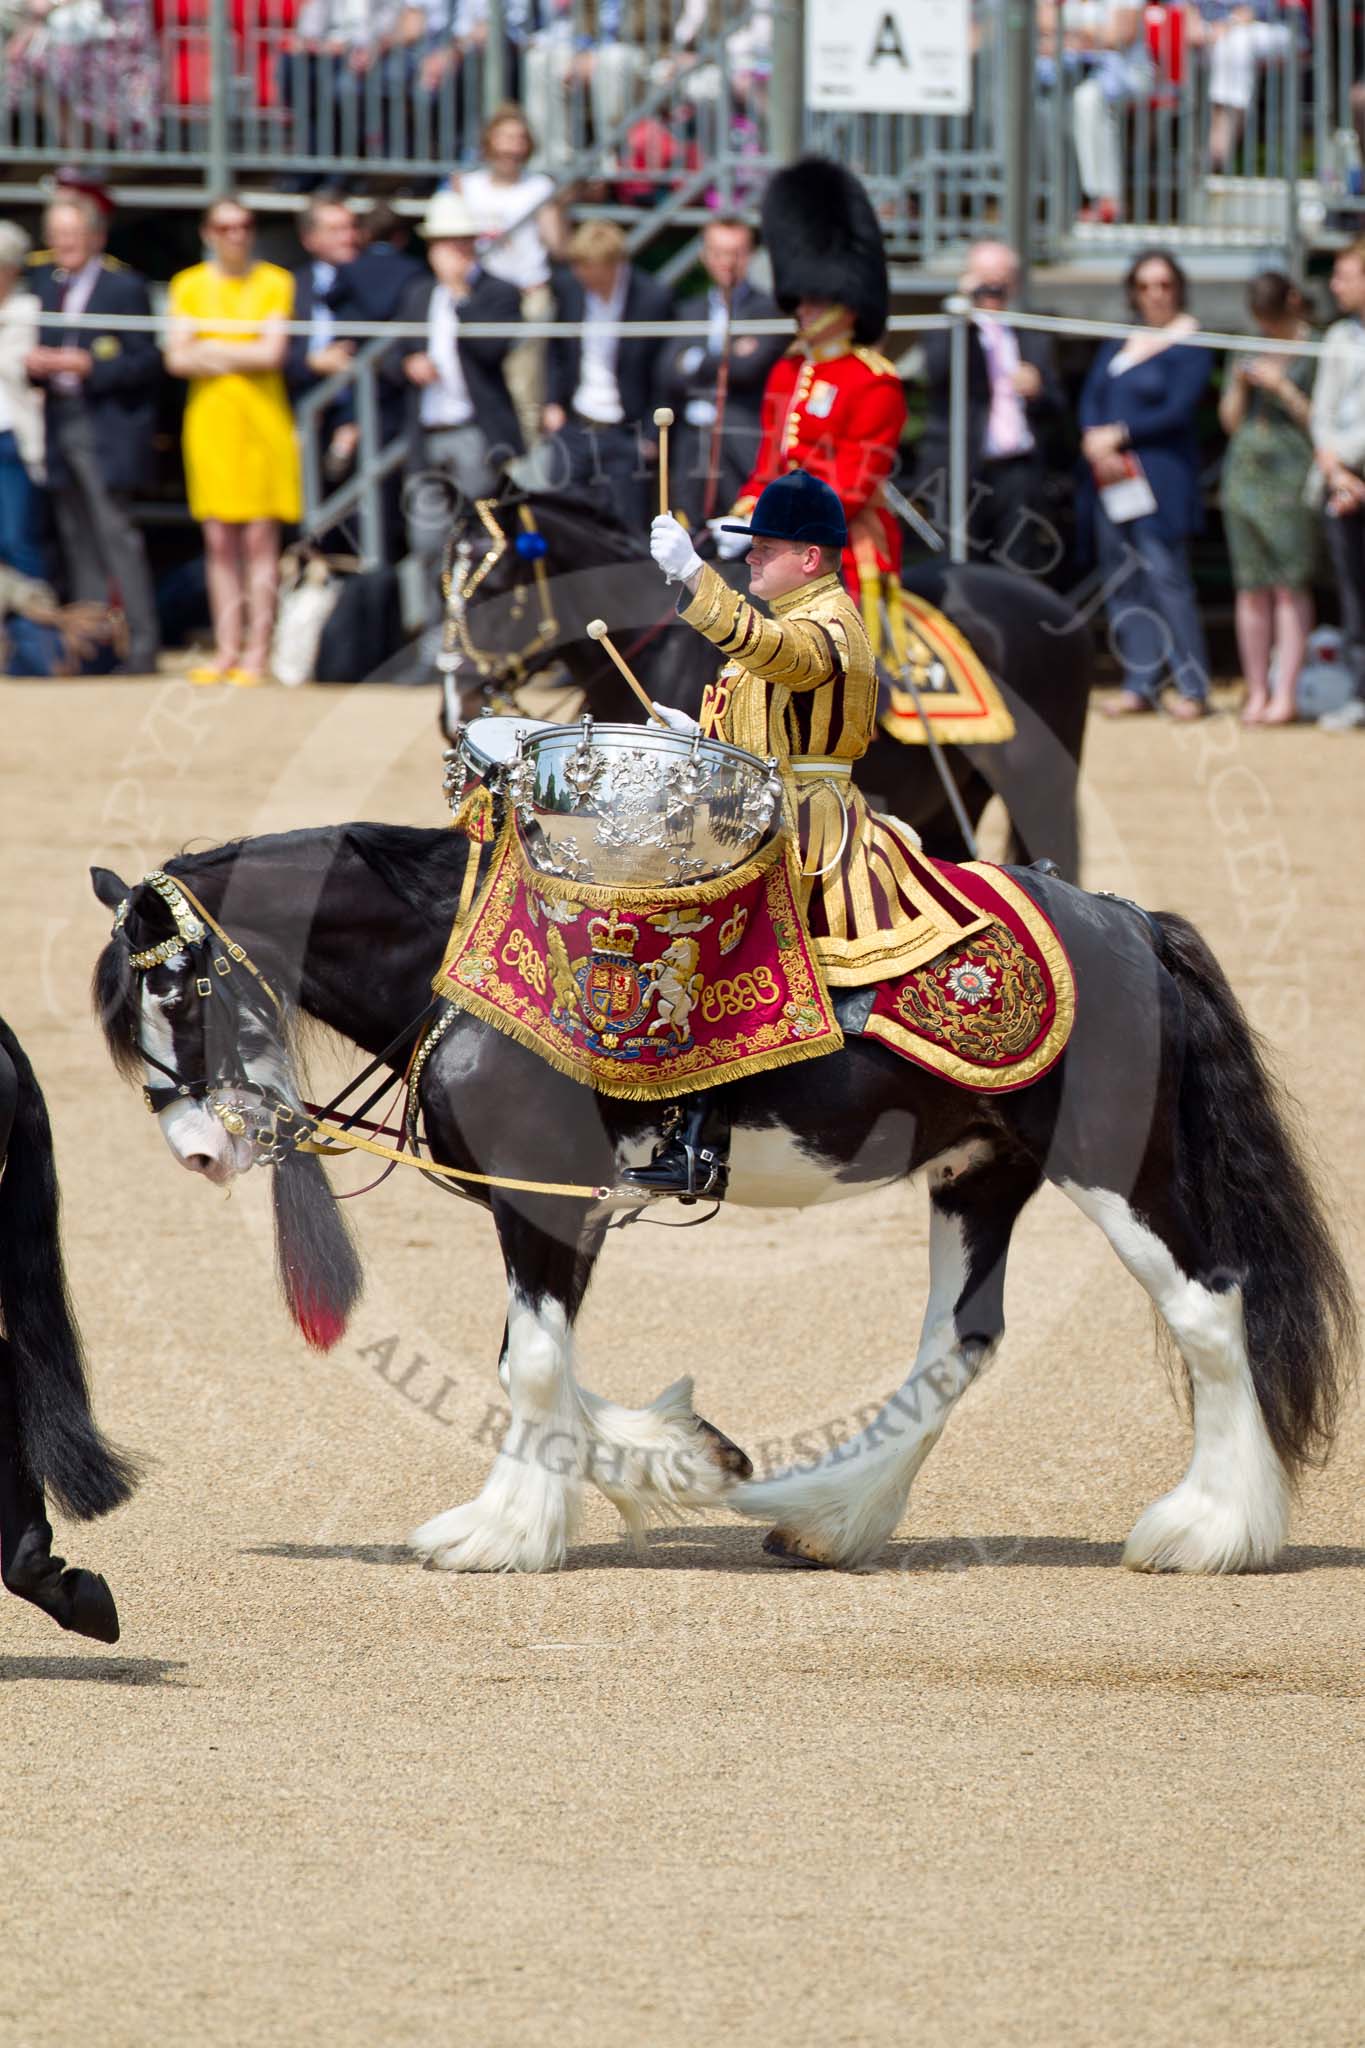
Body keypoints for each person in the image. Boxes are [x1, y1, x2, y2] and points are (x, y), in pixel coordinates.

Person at [626, 469, 951, 1199]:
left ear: (809, 557)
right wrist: (701, 737)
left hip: (809, 824)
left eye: (764, 549)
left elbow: (783, 659)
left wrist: (693, 575)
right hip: (765, 803)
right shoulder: (794, 614)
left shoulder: (829, 621)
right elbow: (764, 711)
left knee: (712, 934)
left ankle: (701, 1139)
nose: (751, 560)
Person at [717, 157, 905, 622]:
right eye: (801, 297)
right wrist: (746, 508)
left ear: (847, 304)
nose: (802, 308)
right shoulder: (789, 371)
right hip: (778, 536)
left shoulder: (874, 381)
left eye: (815, 299)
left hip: (845, 541)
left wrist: (777, 521)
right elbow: (770, 462)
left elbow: (854, 485)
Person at [164, 197, 300, 688]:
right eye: (224, 227)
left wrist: (208, 347)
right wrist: (238, 349)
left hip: (263, 421)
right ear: (208, 233)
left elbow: (271, 353)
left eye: (243, 226)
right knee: (219, 540)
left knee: (261, 540)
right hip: (210, 423)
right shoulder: (189, 284)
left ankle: (257, 652)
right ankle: (226, 648)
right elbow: (176, 359)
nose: (235, 235)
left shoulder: (276, 281)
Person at [25, 194, 161, 675]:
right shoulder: (43, 283)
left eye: (72, 235)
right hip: (58, 417)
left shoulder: (124, 286)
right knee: (75, 536)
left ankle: (142, 646)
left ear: (95, 237)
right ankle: (92, 646)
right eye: (57, 236)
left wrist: (92, 366)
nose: (64, 244)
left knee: (116, 536)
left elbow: (146, 361)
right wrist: (38, 365)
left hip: (105, 424)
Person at [1078, 248, 1211, 719]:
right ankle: (1140, 681)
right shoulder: (1119, 340)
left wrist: (1123, 435)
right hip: (1110, 478)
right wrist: (1097, 442)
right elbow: (1092, 396)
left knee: (1166, 577)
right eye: (1145, 285)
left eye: (1164, 285)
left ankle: (1192, 686)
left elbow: (1178, 408)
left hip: (1162, 475)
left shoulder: (1191, 340)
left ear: (1178, 288)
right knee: (1123, 579)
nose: (1155, 294)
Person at [390, 191, 522, 603]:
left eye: (460, 243)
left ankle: (478, 639)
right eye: (445, 244)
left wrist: (461, 296)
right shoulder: (417, 293)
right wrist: (408, 364)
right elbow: (390, 354)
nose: (453, 252)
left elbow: (491, 351)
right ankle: (434, 644)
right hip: (428, 433)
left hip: (475, 433)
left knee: (480, 541)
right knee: (428, 543)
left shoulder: (498, 292)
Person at [909, 238, 1067, 576]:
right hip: (961, 469)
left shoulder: (1031, 334)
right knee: (960, 568)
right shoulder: (949, 328)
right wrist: (963, 312)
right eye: (985, 278)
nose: (993, 287)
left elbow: (1059, 406)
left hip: (1017, 470)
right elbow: (935, 372)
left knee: (1019, 568)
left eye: (1002, 279)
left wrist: (1038, 389)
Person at [1218, 271, 1317, 726]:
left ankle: (1286, 692)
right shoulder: (1246, 345)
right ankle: (1257, 690)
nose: (1268, 327)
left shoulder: (1317, 347)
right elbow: (1229, 422)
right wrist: (1240, 384)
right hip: (1244, 477)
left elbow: (1328, 420)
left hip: (1292, 477)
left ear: (1292, 303)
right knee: (1251, 587)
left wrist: (1283, 388)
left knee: (1289, 585)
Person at [542, 220, 674, 532]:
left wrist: (650, 436)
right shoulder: (569, 290)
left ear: (616, 265)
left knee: (626, 529)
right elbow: (556, 350)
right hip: (574, 426)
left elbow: (663, 371)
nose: (586, 278)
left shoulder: (652, 298)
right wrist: (552, 401)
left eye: (594, 271)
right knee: (563, 522)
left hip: (625, 432)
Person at [449, 103, 565, 456]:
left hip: (527, 293)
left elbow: (558, 245)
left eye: (518, 139)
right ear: (489, 142)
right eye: (504, 138)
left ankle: (525, 459)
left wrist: (558, 206)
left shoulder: (539, 187)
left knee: (524, 384)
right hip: (482, 294)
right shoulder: (466, 186)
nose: (511, 147)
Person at [659, 216, 785, 527]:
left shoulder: (768, 308)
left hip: (741, 439)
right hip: (691, 441)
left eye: (737, 252)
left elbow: (747, 369)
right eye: (718, 252)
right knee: (689, 531)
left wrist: (695, 360)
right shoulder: (688, 308)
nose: (727, 261)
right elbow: (668, 371)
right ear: (704, 256)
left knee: (742, 532)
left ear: (751, 255)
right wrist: (725, 356)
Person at [1308, 240, 1365, 733]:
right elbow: (1322, 412)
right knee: (1352, 592)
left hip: (1354, 470)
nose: (1334, 285)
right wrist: (1336, 471)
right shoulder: (1338, 336)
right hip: (1342, 479)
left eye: (1345, 275)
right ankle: (1359, 692)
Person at [1064, 1, 1152, 225]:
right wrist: (1090, 35)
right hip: (1069, 72)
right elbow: (1041, 19)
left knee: (1088, 100)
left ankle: (1105, 197)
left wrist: (1067, 34)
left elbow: (1120, 35)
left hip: (1126, 76)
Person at [285, 190, 361, 405]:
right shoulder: (291, 286)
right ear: (309, 239)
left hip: (364, 411)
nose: (348, 238)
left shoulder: (378, 282)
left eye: (351, 227)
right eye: (335, 230)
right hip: (305, 405)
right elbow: (279, 355)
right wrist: (312, 363)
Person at [0, 223, 45, 585]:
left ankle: (37, 636)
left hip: (13, 439)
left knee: (17, 541)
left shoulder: (31, 310)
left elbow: (24, 369)